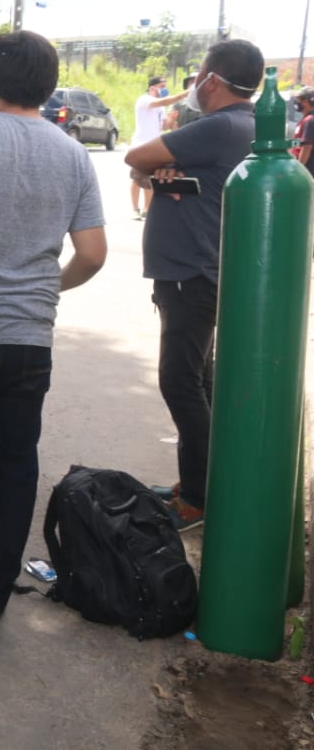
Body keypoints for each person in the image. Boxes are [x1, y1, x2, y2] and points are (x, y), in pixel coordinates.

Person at [0, 30, 107, 633]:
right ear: (50, 85)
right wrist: (45, 290)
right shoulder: (73, 154)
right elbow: (92, 253)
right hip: (27, 340)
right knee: (15, 470)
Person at [125, 39, 264, 532]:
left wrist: (154, 169)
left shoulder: (218, 125)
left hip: (191, 270)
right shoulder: (243, 126)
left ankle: (200, 497)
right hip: (200, 267)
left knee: (180, 381)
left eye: (201, 74)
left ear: (213, 80)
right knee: (199, 380)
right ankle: (201, 483)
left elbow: (135, 157)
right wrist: (161, 172)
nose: (195, 85)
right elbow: (146, 169)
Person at [130, 75, 188, 220]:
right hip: (141, 145)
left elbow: (164, 126)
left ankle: (146, 209)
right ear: (152, 88)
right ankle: (135, 209)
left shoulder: (160, 107)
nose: (165, 89)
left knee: (150, 179)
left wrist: (172, 119)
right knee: (137, 179)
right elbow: (166, 100)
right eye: (162, 87)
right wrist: (187, 93)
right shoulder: (144, 100)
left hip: (154, 145)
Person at [293, 86, 314, 173]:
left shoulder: (310, 120)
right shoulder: (307, 119)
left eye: (299, 100)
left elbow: (306, 147)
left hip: (308, 172)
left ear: (305, 101)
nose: (297, 103)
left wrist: (298, 171)